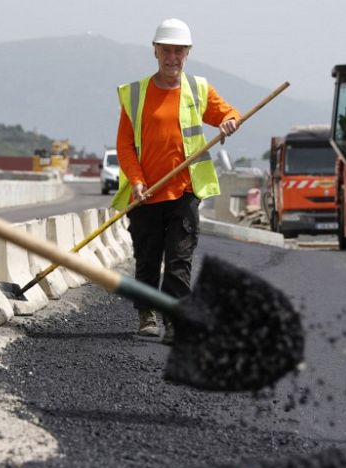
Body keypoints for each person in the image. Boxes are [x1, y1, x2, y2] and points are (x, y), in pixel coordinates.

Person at [111, 18, 241, 345]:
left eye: (179, 51)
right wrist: (137, 182)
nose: (172, 57)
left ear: (188, 53)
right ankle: (147, 314)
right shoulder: (136, 94)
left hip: (184, 191)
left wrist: (228, 123)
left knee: (180, 260)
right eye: (166, 50)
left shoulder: (198, 90)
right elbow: (125, 145)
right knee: (148, 259)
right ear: (155, 51)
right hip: (146, 195)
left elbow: (230, 114)